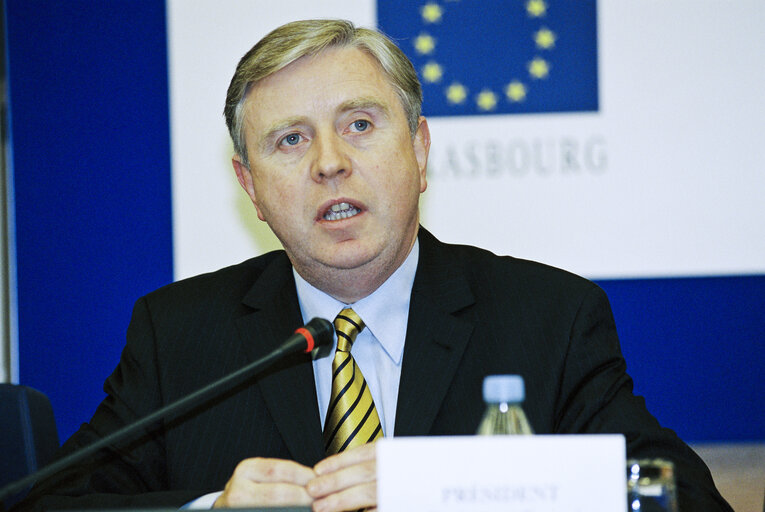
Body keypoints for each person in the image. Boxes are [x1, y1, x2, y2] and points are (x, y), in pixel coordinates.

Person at [19, 19, 732, 512]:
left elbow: (675, 495)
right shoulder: (178, 334)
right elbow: (50, 501)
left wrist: (446, 490)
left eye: (359, 125)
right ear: (251, 188)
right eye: (290, 141)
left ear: (419, 151)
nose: (330, 163)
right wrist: (213, 507)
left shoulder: (546, 315)